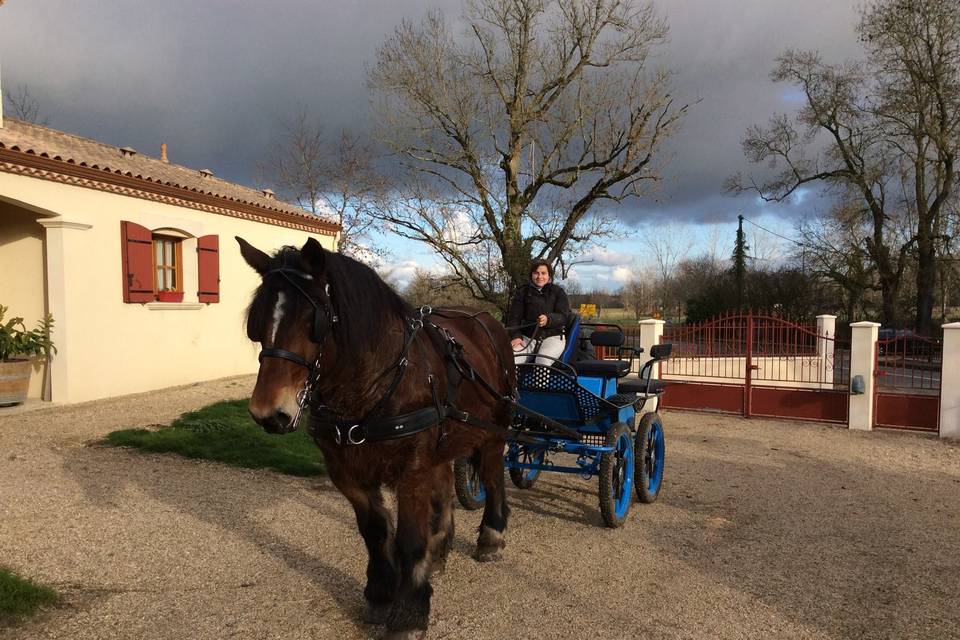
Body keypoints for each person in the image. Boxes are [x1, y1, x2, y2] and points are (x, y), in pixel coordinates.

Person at [506, 260, 571, 365]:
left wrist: (548, 319)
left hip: (553, 337)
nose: (539, 276)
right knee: (511, 359)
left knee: (542, 361)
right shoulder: (522, 292)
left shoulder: (558, 292)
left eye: (543, 273)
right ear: (531, 275)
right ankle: (515, 382)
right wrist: (516, 336)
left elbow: (564, 316)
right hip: (528, 337)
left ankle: (539, 382)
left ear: (549, 275)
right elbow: (514, 318)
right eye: (536, 273)